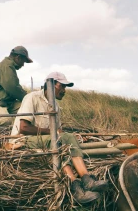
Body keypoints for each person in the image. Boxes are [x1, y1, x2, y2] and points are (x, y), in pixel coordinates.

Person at [11, 72, 109, 204]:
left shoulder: (56, 106)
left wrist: (76, 139)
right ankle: (81, 184)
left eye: (65, 88)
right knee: (58, 140)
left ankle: (83, 183)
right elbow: (24, 128)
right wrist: (53, 133)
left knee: (63, 140)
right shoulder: (32, 98)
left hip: (46, 140)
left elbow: (60, 132)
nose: (64, 91)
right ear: (50, 86)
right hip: (24, 140)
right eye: (61, 86)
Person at [0, 45, 32, 125]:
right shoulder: (6, 66)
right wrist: (28, 98)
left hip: (8, 103)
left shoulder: (8, 66)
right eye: (23, 61)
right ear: (18, 58)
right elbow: (13, 88)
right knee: (6, 120)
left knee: (30, 110)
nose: (23, 65)